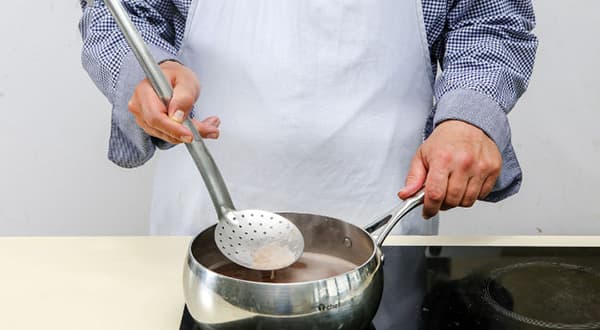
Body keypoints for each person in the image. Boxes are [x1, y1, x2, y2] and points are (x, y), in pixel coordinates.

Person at [79, 0, 537, 236]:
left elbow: (489, 22)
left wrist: (468, 120)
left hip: (386, 242)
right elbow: (119, 13)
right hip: (200, 235)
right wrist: (150, 73)